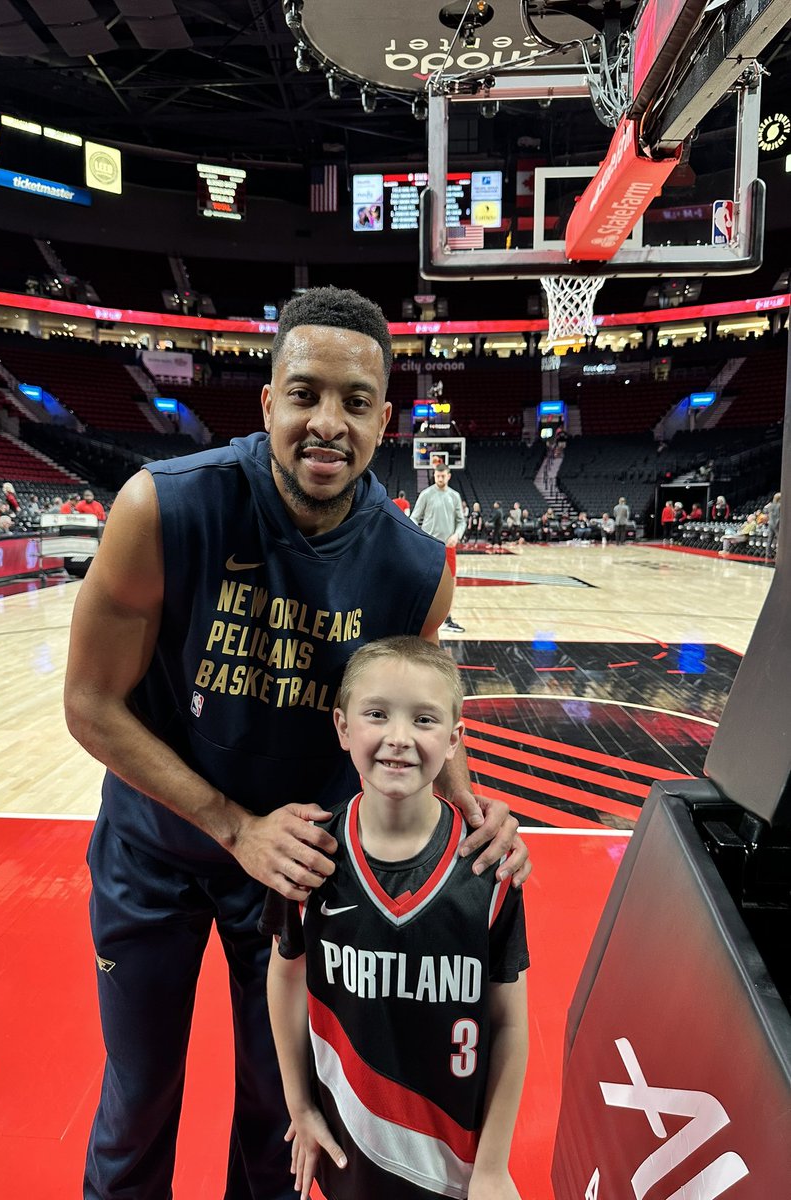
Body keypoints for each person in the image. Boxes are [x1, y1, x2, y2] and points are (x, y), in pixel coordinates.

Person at [63, 286, 529, 1200]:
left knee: (282, 1110)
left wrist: (479, 813)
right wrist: (234, 827)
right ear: (267, 401)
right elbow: (89, 705)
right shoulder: (164, 508)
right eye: (305, 394)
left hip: (301, 871)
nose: (328, 423)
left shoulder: (411, 564)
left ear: (384, 419)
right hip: (155, 851)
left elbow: (417, 708)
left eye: (355, 403)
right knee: (138, 1099)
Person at [264, 637, 529, 1200]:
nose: (399, 737)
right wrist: (300, 1104)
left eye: (425, 719)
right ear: (342, 726)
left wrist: (493, 1166)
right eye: (377, 713)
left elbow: (509, 1023)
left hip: (454, 1161)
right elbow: (285, 976)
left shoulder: (489, 869)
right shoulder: (309, 857)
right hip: (349, 1145)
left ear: (455, 739)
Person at [410, 465, 467, 633]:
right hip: (428, 546)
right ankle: (422, 618)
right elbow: (414, 517)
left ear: (448, 476)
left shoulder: (454, 496)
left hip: (448, 547)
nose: (440, 478)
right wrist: (418, 537)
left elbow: (461, 521)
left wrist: (457, 535)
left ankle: (447, 619)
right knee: (425, 581)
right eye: (437, 476)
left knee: (450, 583)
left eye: (442, 476)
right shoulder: (426, 494)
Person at [765, 491, 781, 561]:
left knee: (769, 541)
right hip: (777, 524)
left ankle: (767, 555)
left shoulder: (770, 505)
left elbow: (765, 510)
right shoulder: (780, 505)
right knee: (779, 541)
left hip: (770, 524)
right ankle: (778, 556)